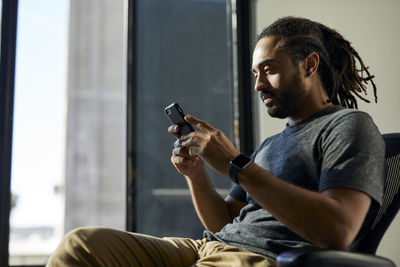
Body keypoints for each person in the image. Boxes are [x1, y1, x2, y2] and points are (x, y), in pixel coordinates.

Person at [46, 16, 385, 267]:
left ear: (309, 64)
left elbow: (338, 229)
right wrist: (196, 175)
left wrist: (237, 165)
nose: (258, 85)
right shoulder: (272, 145)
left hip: (262, 259)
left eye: (268, 69)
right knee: (82, 245)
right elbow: (224, 222)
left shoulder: (348, 126)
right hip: (209, 247)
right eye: (255, 73)